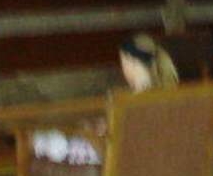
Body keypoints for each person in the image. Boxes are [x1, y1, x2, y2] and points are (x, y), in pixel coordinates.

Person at [31, 35, 178, 165]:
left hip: (110, 160)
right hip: (129, 156)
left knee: (46, 142)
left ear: (131, 61)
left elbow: (115, 150)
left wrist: (91, 131)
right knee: (49, 140)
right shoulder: (168, 97)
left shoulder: (128, 101)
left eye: (123, 62)